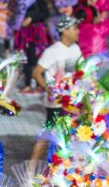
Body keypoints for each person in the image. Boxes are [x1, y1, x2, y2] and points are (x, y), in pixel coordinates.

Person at [31, 15, 82, 162]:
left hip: (72, 102)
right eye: (75, 28)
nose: (78, 31)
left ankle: (63, 164)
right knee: (48, 132)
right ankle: (31, 168)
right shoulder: (52, 51)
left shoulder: (75, 49)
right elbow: (36, 73)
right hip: (56, 103)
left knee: (69, 133)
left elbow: (81, 71)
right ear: (64, 31)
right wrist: (50, 89)